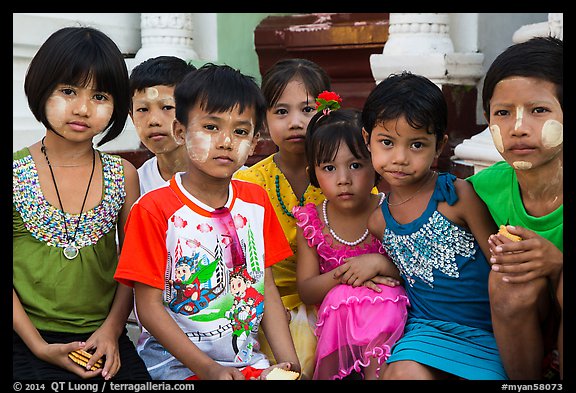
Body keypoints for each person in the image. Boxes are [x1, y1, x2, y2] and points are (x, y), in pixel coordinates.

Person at [114, 63, 301, 380]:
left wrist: (289, 364)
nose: (226, 141)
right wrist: (209, 370)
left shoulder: (256, 202)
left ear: (255, 143)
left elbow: (266, 287)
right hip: (171, 367)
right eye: (211, 127)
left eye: (240, 131)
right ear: (180, 131)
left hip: (247, 363)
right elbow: (148, 308)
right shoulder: (153, 209)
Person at [13, 26, 150, 380]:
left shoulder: (123, 175)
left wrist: (111, 331)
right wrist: (38, 346)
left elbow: (130, 266)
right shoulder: (14, 173)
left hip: (102, 338)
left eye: (100, 96)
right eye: (68, 91)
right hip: (24, 336)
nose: (82, 108)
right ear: (41, 89)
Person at [362, 71, 507, 380]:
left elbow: (500, 265)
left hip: (486, 332)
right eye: (386, 142)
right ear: (367, 140)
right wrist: (379, 264)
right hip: (425, 329)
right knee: (400, 374)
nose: (400, 158)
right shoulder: (378, 220)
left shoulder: (457, 196)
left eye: (416, 145)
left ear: (439, 146)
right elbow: (408, 272)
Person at [294, 92, 409, 380]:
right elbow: (306, 290)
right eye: (329, 168)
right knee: (342, 296)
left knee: (385, 295)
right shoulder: (311, 220)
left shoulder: (391, 210)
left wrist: (379, 265)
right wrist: (349, 275)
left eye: (356, 165)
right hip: (333, 324)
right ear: (313, 174)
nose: (343, 179)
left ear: (376, 164)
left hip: (388, 319)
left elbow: (411, 271)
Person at [467, 36, 563, 380]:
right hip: (528, 329)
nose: (519, 128)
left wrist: (556, 262)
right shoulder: (481, 190)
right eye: (503, 113)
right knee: (508, 279)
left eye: (539, 110)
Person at [233, 58, 331, 379]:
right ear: (263, 120)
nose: (295, 122)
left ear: (326, 112)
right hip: (270, 311)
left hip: (332, 300)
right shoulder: (249, 182)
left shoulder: (343, 176)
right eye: (281, 111)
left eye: (307, 109)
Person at [129, 55, 197, 195]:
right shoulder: (136, 188)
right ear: (131, 117)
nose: (154, 120)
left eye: (167, 107)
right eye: (142, 109)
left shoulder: (235, 179)